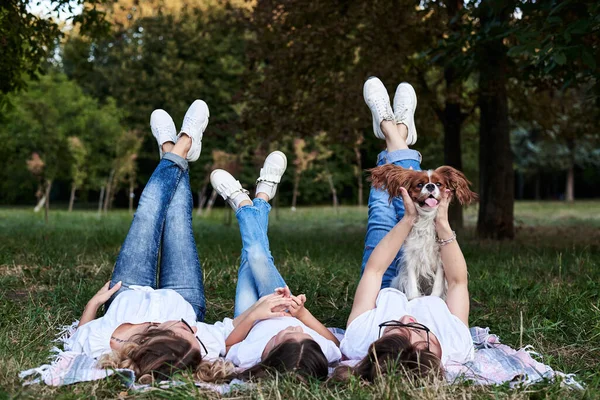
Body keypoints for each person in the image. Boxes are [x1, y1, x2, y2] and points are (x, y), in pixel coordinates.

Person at [67, 100, 234, 382]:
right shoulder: (197, 346)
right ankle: (180, 146)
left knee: (147, 213)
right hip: (184, 297)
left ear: (152, 337)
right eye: (193, 334)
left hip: (125, 291)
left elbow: (76, 341)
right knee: (177, 218)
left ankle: (175, 148)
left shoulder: (106, 343)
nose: (194, 330)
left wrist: (93, 304)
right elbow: (236, 328)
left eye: (183, 331)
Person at [338, 77, 473, 382]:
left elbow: (373, 271)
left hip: (381, 283)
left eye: (398, 330)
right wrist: (440, 220)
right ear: (438, 352)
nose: (410, 319)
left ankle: (392, 131)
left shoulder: (360, 340)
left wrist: (407, 221)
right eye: (421, 333)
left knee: (381, 210)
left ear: (378, 344)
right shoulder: (456, 344)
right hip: (423, 275)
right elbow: (457, 282)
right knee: (398, 198)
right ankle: (394, 131)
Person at [209, 156, 342, 381]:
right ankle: (244, 201)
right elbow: (335, 342)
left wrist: (254, 315)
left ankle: (258, 198)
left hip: (249, 316)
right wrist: (300, 314)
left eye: (288, 334)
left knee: (249, 257)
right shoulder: (317, 351)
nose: (297, 330)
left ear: (271, 353)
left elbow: (228, 343)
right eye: (304, 335)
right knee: (258, 256)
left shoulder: (250, 356)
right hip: (285, 305)